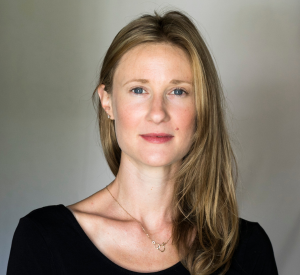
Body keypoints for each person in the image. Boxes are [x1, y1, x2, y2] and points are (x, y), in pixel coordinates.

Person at [7, 10, 278, 275]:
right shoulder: (43, 239)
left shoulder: (244, 247)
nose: (158, 113)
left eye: (178, 91)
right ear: (107, 101)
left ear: (202, 109)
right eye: (138, 90)